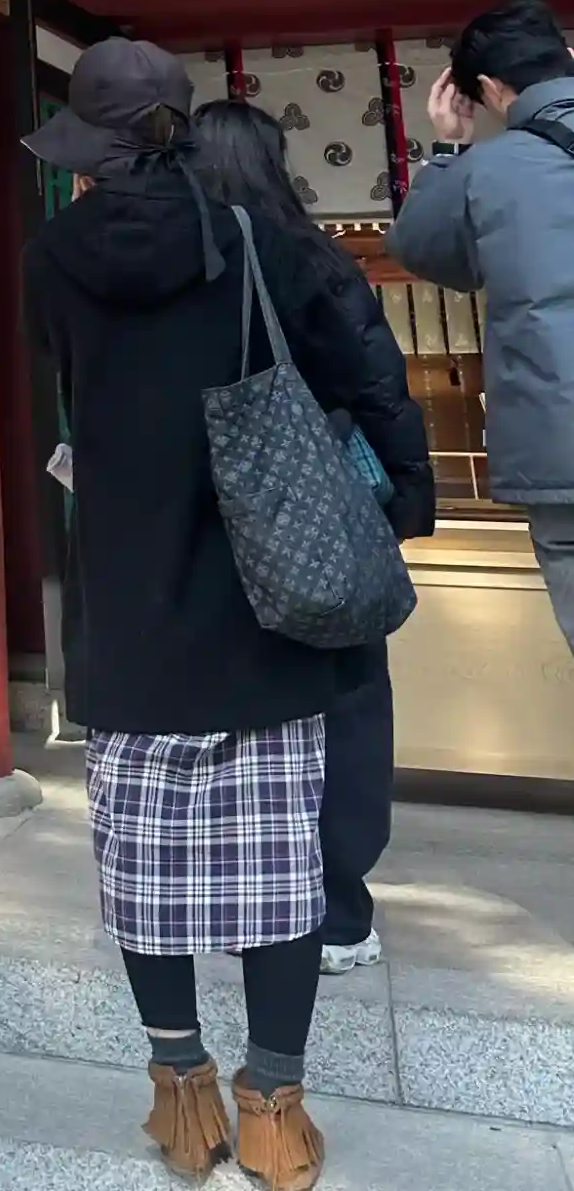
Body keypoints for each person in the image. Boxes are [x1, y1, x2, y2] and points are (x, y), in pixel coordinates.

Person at [23, 40, 434, 1191]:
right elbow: (338, 373)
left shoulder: (50, 255)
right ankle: (274, 1113)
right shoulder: (253, 238)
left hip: (128, 596)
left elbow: (61, 383)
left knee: (144, 868)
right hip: (262, 593)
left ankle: (180, 1094)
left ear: (93, 151)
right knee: (277, 869)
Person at [193, 100, 435, 977]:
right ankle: (337, 908)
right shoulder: (311, 257)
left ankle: (245, 899)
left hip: (211, 521)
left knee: (236, 714)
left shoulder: (184, 265)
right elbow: (375, 386)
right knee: (347, 702)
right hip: (322, 513)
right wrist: (407, 493)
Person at [391, 0, 574, 654]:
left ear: (490, 89)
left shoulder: (485, 170)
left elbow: (421, 250)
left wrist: (447, 148)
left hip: (561, 444)